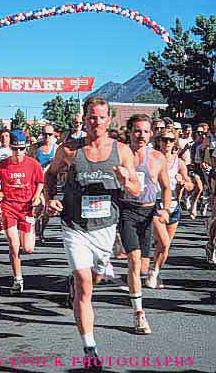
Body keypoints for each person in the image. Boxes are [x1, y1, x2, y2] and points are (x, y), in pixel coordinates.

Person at [45, 97, 140, 364]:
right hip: (74, 225)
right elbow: (50, 175)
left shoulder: (121, 151)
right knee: (84, 285)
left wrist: (124, 181)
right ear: (84, 119)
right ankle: (90, 349)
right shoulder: (70, 150)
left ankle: (79, 285)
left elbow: (136, 190)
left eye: (100, 117)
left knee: (94, 280)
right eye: (91, 116)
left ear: (109, 120)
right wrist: (50, 198)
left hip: (105, 228)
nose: (95, 121)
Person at [118, 114, 171, 334]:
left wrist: (165, 209)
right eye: (137, 131)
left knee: (142, 267)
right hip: (126, 211)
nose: (141, 135)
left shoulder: (158, 157)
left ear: (151, 134)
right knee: (133, 260)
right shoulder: (120, 154)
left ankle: (81, 280)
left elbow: (167, 187)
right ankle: (139, 314)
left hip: (149, 213)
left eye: (146, 131)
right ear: (129, 132)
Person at [0, 130, 44, 295]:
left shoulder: (33, 164)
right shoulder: (3, 165)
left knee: (28, 249)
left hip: (26, 208)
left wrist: (36, 196)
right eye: (15, 149)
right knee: (13, 244)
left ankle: (32, 229)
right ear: (10, 148)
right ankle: (17, 279)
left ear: (25, 148)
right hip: (9, 208)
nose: (18, 153)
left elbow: (40, 181)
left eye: (21, 149)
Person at [146, 129, 193, 289]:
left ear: (175, 142)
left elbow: (190, 184)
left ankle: (155, 271)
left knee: (165, 245)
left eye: (171, 140)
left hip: (174, 205)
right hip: (156, 204)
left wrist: (183, 182)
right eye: (164, 139)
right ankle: (152, 271)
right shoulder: (152, 158)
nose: (167, 143)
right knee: (163, 242)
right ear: (159, 141)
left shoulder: (178, 162)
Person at [29, 125, 58, 243]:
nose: (47, 137)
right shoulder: (35, 148)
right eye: (45, 134)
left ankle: (41, 231)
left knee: (47, 209)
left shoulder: (56, 149)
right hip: (36, 183)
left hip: (50, 183)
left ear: (53, 135)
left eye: (50, 134)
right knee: (39, 205)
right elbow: (28, 162)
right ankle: (34, 229)